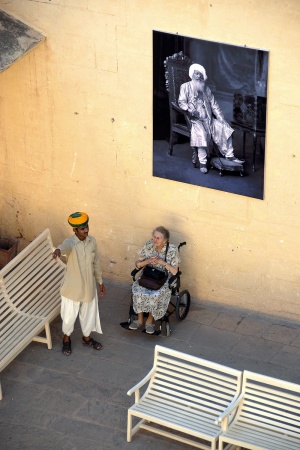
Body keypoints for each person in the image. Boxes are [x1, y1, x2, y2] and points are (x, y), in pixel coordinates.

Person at [52, 212, 105, 356]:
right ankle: (66, 338)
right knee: (69, 315)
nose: (86, 230)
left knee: (88, 313)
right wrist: (58, 250)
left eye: (86, 226)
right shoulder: (71, 242)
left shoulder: (92, 241)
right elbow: (63, 247)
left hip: (88, 285)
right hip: (72, 287)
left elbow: (96, 262)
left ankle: (86, 338)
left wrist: (100, 281)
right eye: (82, 228)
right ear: (75, 230)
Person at [178, 63, 244, 173]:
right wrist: (190, 110)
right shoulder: (185, 86)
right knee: (202, 135)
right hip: (195, 120)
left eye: (201, 74)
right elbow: (181, 102)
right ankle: (203, 163)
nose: (199, 76)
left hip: (209, 120)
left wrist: (221, 119)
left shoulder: (206, 89)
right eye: (197, 74)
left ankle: (229, 155)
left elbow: (214, 105)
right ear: (192, 75)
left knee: (225, 128)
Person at [129, 226, 180, 334]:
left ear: (165, 240)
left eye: (158, 238)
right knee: (137, 290)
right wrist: (147, 261)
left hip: (164, 277)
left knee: (155, 294)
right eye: (154, 237)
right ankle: (139, 319)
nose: (155, 240)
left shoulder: (172, 250)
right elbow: (138, 264)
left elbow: (175, 271)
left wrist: (163, 263)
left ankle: (149, 321)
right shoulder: (148, 245)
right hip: (148, 274)